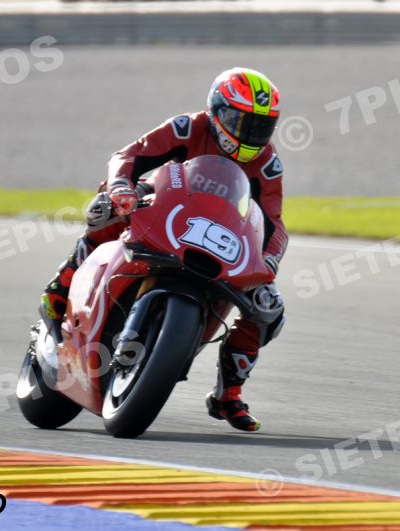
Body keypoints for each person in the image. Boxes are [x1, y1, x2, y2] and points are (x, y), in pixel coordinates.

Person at [43, 67, 288, 432]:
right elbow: (129, 156)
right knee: (103, 211)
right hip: (166, 210)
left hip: (219, 241)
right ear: (217, 111)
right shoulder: (186, 128)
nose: (248, 134)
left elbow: (273, 223)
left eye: (259, 126)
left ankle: (227, 395)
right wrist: (121, 189)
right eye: (240, 121)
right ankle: (60, 291)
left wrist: (268, 260)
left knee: (269, 309)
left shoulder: (266, 164)